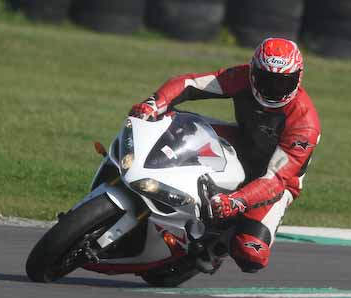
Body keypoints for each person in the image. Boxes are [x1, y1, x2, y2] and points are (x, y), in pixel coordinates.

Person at [129, 38, 321, 273]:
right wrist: (153, 103)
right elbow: (190, 83)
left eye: (282, 83)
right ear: (253, 73)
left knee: (252, 254)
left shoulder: (304, 124)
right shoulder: (241, 77)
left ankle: (217, 247)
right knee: (167, 120)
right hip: (242, 142)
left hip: (277, 181)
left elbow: (276, 179)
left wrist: (237, 201)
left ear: (298, 79)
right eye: (265, 80)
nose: (273, 89)